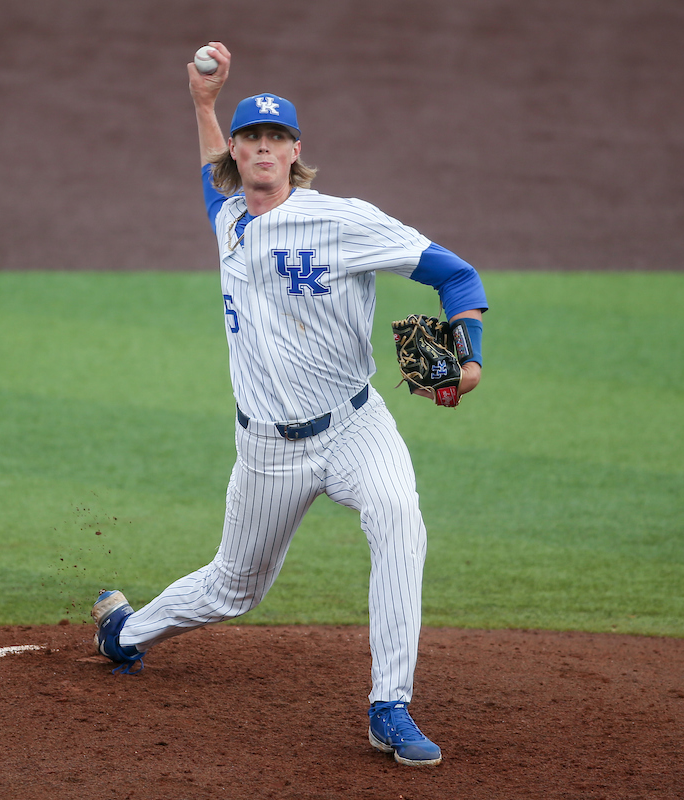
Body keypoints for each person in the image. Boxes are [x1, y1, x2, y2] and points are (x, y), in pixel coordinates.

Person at [91, 42, 487, 768]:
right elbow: (210, 177)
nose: (263, 149)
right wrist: (204, 104)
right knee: (232, 589)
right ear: (238, 154)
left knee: (399, 518)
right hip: (268, 449)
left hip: (355, 425)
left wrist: (471, 358)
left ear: (296, 150)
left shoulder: (344, 221)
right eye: (251, 139)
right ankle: (123, 634)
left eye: (276, 138)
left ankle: (389, 706)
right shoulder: (228, 217)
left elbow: (456, 276)